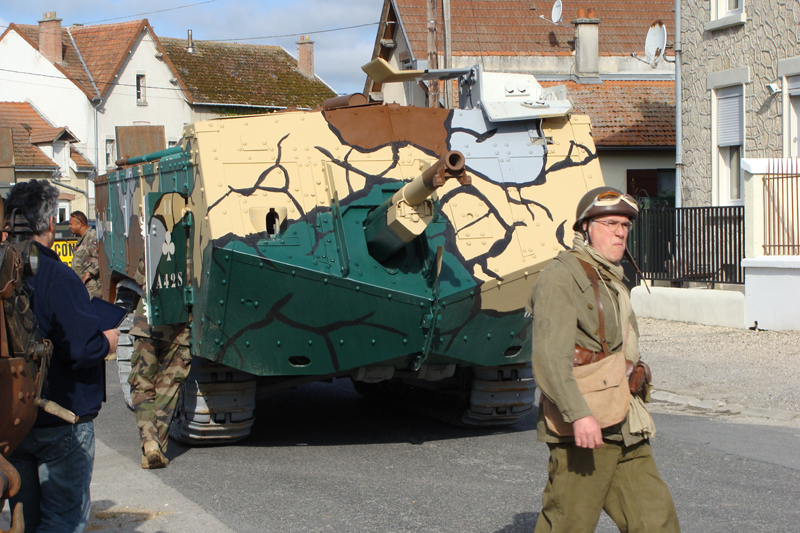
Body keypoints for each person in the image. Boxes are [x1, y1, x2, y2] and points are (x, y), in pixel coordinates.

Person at [528, 187, 679, 533]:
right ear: (585, 228)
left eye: (625, 224)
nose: (620, 231)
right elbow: (550, 359)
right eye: (609, 223)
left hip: (624, 421)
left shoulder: (610, 277)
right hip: (586, 424)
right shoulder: (562, 276)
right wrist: (579, 415)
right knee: (569, 524)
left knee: (657, 521)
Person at [5, 180, 119, 533]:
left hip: (10, 418)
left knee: (23, 520)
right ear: (49, 224)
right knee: (63, 521)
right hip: (61, 419)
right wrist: (108, 341)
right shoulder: (56, 275)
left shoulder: (2, 272)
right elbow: (82, 348)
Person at [128, 258, 191, 469]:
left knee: (143, 384)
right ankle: (156, 447)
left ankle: (150, 443)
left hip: (148, 320)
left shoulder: (156, 239)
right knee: (168, 389)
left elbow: (139, 279)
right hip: (179, 324)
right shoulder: (195, 243)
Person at [68, 210, 102, 299]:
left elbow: (99, 258)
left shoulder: (91, 237)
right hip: (83, 288)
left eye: (71, 224)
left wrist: (88, 275)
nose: (69, 226)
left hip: (92, 288)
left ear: (80, 224)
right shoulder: (83, 238)